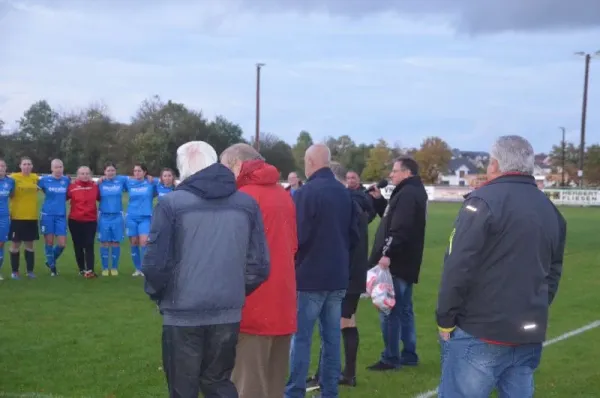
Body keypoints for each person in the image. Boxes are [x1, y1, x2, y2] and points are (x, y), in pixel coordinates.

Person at [436, 136, 566, 398]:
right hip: (527, 331)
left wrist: (446, 319)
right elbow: (553, 272)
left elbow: (458, 265)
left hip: (481, 330)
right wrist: (532, 307)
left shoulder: (482, 201)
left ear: (494, 164)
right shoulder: (549, 208)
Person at [142, 141, 270, 398]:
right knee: (218, 384)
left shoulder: (171, 205)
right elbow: (259, 266)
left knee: (185, 389)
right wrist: (230, 290)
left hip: (185, 313)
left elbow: (155, 265)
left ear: (182, 169)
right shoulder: (245, 205)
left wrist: (161, 295)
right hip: (222, 312)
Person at [220, 143, 297, 398]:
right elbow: (293, 246)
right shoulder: (283, 195)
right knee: (273, 387)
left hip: (252, 307)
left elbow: (230, 254)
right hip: (283, 304)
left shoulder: (241, 199)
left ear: (236, 165)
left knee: (246, 387)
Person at [285, 144, 359, 398]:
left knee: (302, 339)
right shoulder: (344, 193)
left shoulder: (306, 193)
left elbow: (298, 236)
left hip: (309, 276)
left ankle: (295, 391)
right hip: (337, 275)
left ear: (310, 162)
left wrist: (297, 261)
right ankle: (329, 391)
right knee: (331, 339)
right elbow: (354, 234)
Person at [307, 162, 376, 389]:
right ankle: (346, 374)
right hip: (352, 273)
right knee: (345, 323)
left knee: (334, 325)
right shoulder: (353, 202)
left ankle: (328, 375)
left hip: (346, 273)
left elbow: (347, 242)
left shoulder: (347, 204)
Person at [367, 156, 428, 371]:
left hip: (398, 261)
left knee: (390, 310)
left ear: (407, 172)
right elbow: (393, 218)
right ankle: (408, 354)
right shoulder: (409, 192)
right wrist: (379, 202)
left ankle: (390, 357)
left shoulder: (408, 193)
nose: (391, 175)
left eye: (395, 170)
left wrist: (387, 253)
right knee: (404, 310)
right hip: (406, 261)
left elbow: (400, 228)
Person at [9, 157, 40, 279]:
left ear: (32, 166)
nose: (27, 166)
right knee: (15, 244)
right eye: (24, 164)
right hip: (17, 216)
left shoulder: (35, 178)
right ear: (20, 166)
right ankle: (15, 271)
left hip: (31, 217)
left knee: (30, 245)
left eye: (29, 164)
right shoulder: (13, 178)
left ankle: (30, 271)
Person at [38, 159, 70, 275]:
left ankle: (50, 260)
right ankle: (53, 268)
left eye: (60, 167)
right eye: (56, 167)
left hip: (61, 215)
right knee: (49, 242)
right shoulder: (44, 180)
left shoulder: (66, 180)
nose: (58, 169)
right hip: (47, 215)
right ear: (51, 168)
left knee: (62, 244)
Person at [125, 163, 157, 277]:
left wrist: (174, 182)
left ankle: (145, 268)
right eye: (135, 171)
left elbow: (166, 181)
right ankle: (137, 268)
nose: (137, 173)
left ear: (145, 172)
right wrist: (103, 178)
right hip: (131, 216)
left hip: (146, 217)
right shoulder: (129, 182)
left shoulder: (151, 182)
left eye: (139, 171)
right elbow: (115, 178)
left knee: (144, 242)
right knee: (134, 242)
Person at [68, 166, 99, 278]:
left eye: (87, 173)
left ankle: (90, 270)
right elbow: (63, 197)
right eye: (82, 173)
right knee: (78, 245)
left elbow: (101, 198)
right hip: (75, 220)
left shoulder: (95, 187)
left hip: (90, 220)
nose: (85, 176)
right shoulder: (72, 187)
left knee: (89, 244)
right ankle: (81, 269)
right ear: (78, 175)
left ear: (90, 175)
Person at [97, 162, 127, 276]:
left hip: (117, 216)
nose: (110, 172)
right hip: (104, 216)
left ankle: (114, 267)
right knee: (104, 242)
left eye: (112, 170)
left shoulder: (121, 180)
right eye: (108, 170)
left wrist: (148, 176)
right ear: (104, 172)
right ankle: (105, 267)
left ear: (116, 172)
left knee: (115, 242)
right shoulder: (100, 183)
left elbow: (136, 179)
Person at [0, 159, 16, 281]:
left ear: (6, 168)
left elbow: (12, 196)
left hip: (4, 217)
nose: (0, 168)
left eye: (2, 166)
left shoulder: (10, 182)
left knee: (1, 244)